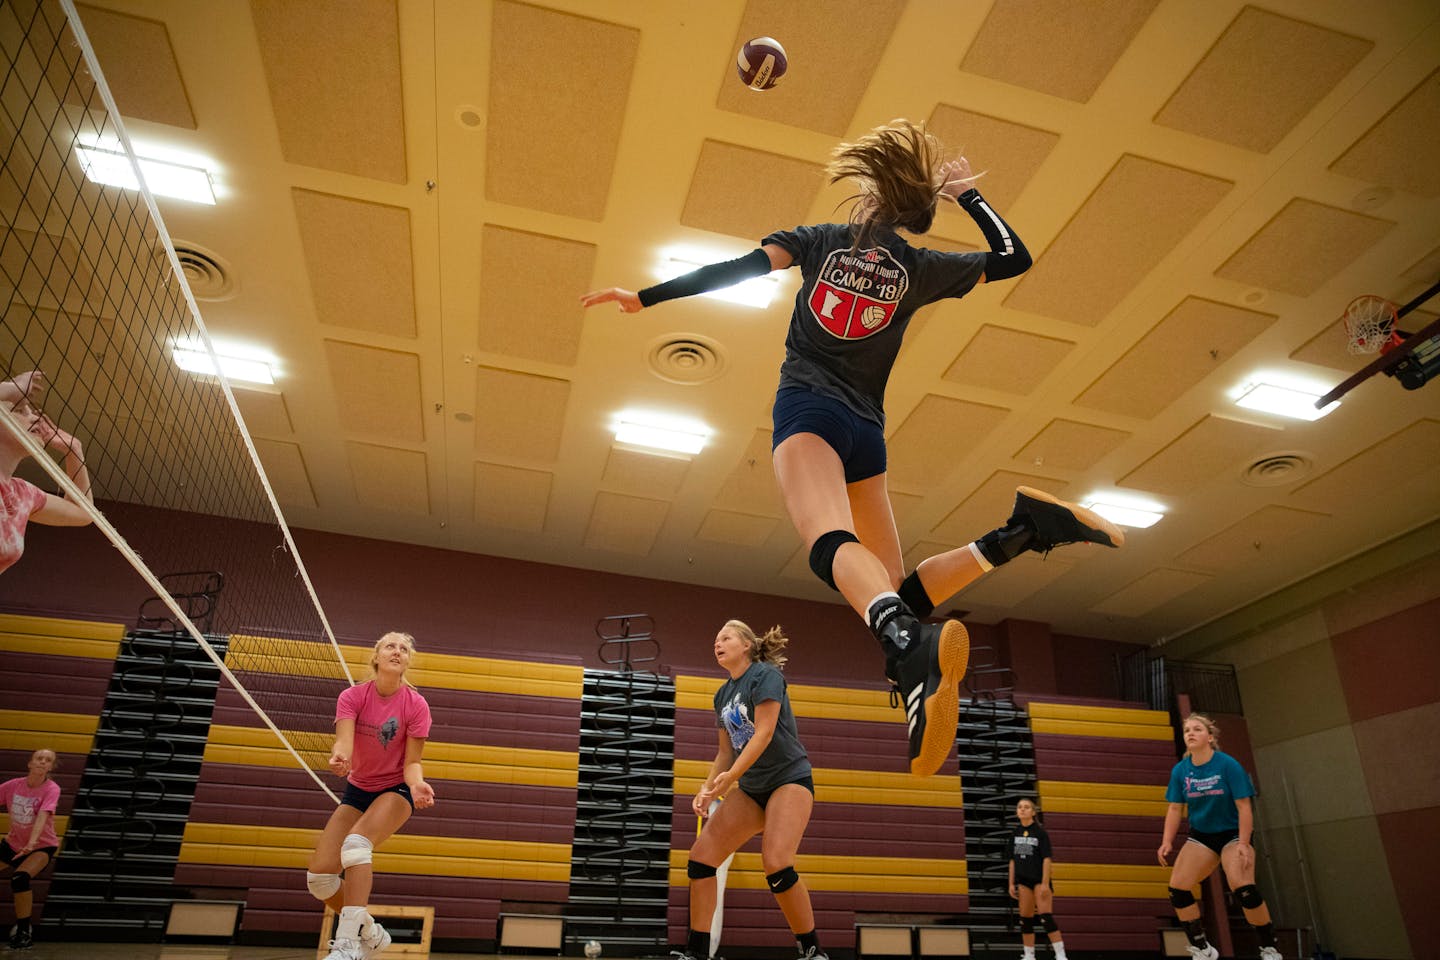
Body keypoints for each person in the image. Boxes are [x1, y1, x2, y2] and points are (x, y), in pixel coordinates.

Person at [582, 120, 1122, 776]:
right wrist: (968, 198)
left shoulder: (819, 241)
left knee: (829, 543)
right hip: (867, 430)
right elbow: (1014, 259)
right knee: (894, 588)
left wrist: (644, 296)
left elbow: (737, 271)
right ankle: (1019, 533)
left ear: (869, 194)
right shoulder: (920, 267)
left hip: (809, 409)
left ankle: (907, 649)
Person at [678, 620, 826, 960]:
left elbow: (764, 733)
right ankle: (697, 951)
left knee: (776, 863)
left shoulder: (765, 675)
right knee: (701, 858)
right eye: (715, 639)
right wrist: (706, 790)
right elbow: (724, 752)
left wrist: (728, 780)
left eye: (726, 637)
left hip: (788, 780)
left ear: (746, 644)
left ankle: (812, 949)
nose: (718, 643)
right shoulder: (722, 694)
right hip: (752, 786)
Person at [307, 632, 435, 960]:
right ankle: (370, 931)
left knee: (356, 845)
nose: (398, 651)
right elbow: (344, 742)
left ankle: (348, 945)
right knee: (320, 879)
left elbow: (413, 762)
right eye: (391, 646)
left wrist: (418, 784)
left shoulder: (416, 705)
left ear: (407, 661)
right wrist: (339, 757)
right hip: (359, 789)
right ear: (377, 657)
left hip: (396, 789)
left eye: (404, 649)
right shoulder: (352, 697)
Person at [1158, 714, 1282, 960]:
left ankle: (1269, 948)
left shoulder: (1227, 765)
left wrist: (1245, 844)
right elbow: (1174, 808)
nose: (1190, 733)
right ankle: (1203, 950)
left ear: (1210, 737)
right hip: (1202, 836)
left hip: (1232, 834)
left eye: (1197, 729)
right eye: (1186, 731)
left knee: (1242, 887)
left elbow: (1244, 807)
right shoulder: (1181, 771)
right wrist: (1167, 841)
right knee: (1177, 889)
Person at [0, 370, 93, 574]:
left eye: (31, 411)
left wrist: (74, 450)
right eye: (19, 409)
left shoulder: (21, 494)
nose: (34, 417)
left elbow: (83, 513)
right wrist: (8, 390)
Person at [0, 748, 62, 950]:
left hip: (41, 846)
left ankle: (24, 931)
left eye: (48, 760)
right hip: (13, 843)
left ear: (51, 767)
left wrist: (32, 843)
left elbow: (43, 816)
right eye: (39, 758)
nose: (43, 762)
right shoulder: (12, 786)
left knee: (20, 878)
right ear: (30, 763)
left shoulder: (52, 788)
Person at [1008, 797, 1067, 960]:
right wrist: (1011, 883)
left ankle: (1060, 954)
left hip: (1039, 880)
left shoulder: (1040, 833)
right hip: (1023, 881)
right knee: (1025, 919)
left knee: (1045, 917)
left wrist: (1045, 883)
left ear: (1033, 812)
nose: (1022, 809)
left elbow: (1047, 859)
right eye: (1020, 807)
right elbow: (1012, 861)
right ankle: (1029, 955)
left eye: (1026, 807)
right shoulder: (1014, 834)